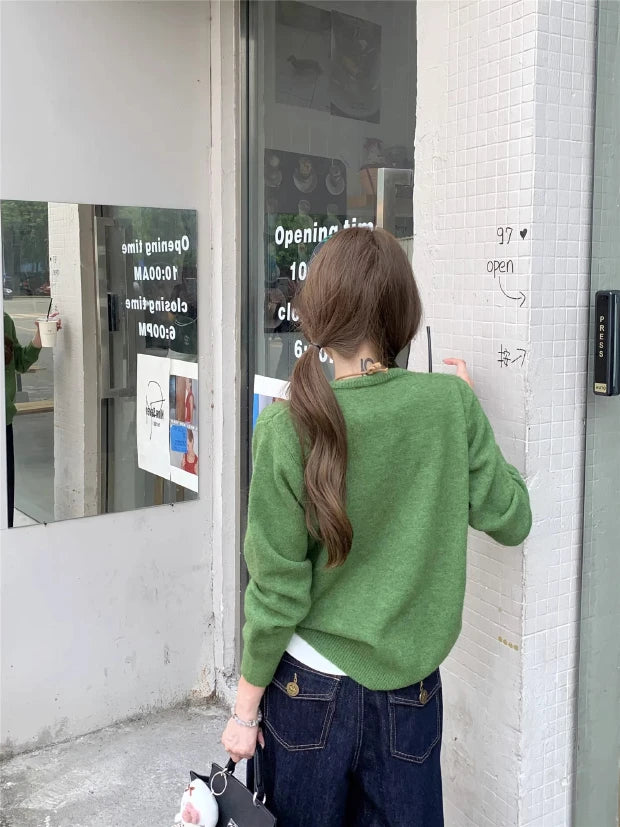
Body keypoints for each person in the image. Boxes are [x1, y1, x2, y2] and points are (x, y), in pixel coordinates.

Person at [221, 227, 532, 827]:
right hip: (409, 693)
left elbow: (276, 591)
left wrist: (244, 713)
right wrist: (467, 421)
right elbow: (512, 518)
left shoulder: (286, 427)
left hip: (305, 689)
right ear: (403, 315)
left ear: (318, 317)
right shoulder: (450, 406)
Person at [3, 311, 60, 527]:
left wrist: (39, 336)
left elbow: (19, 361)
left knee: (5, 496)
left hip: (4, 423)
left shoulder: (4, 320)